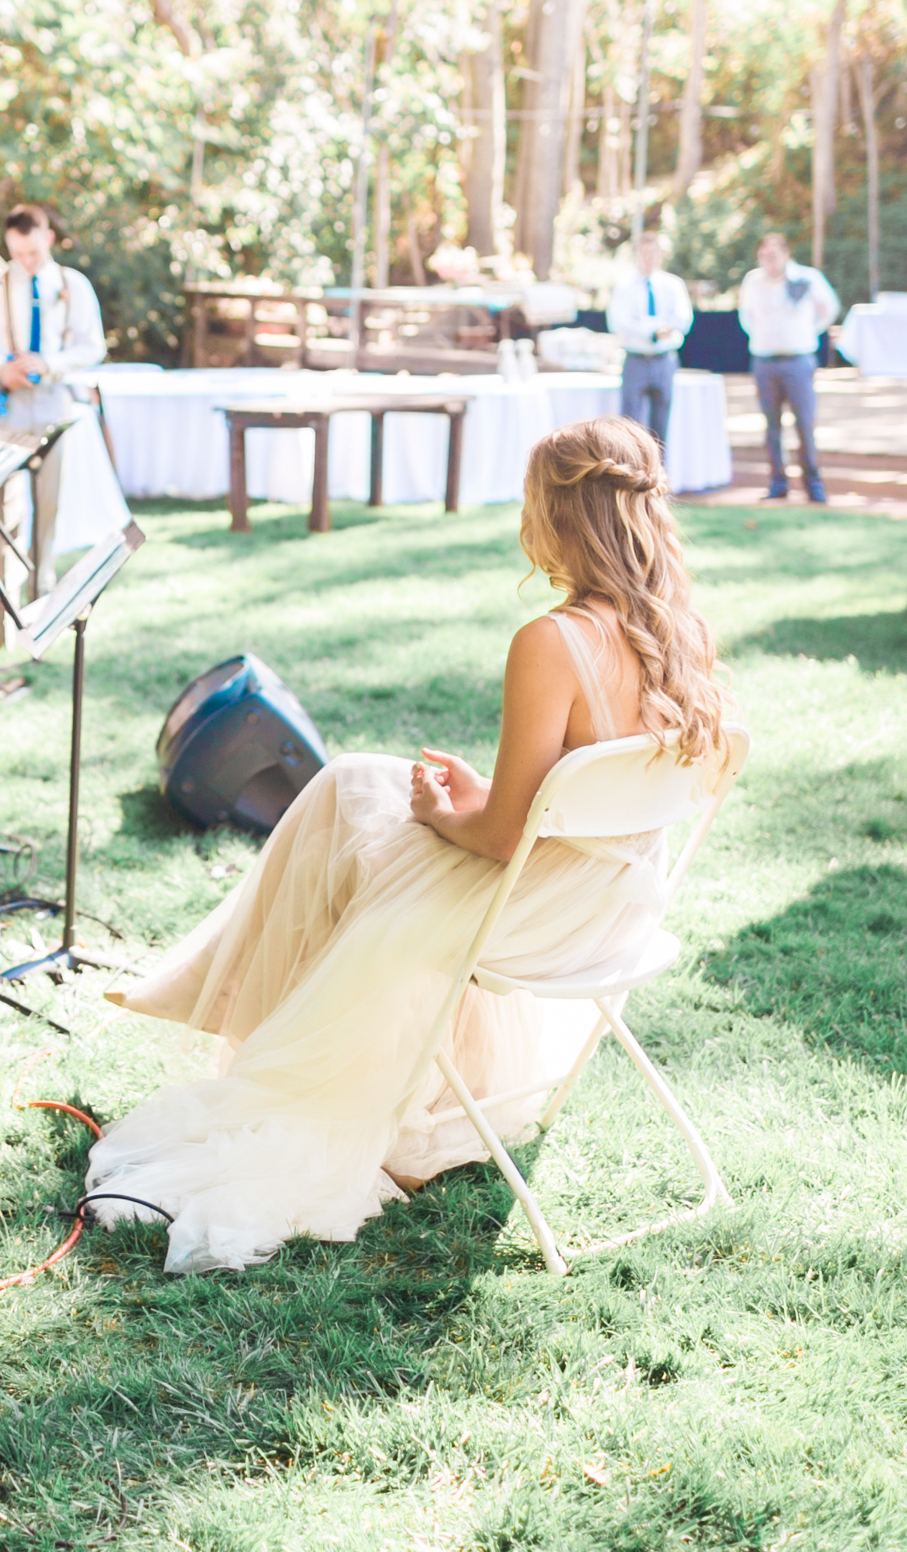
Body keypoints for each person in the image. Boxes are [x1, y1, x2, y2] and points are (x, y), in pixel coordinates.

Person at [85, 417, 731, 1275]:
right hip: (609, 903)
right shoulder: (680, 632)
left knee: (354, 812)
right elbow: (556, 796)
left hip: (533, 911)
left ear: (561, 516)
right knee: (353, 781)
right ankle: (244, 1002)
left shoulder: (553, 640)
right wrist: (475, 796)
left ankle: (234, 1007)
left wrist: (440, 815)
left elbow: (501, 839)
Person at [0, 204, 109, 594]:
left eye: (32, 253)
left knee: (48, 505)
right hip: (6, 405)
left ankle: (42, 585)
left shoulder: (72, 284)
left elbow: (92, 346)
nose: (24, 261)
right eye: (17, 253)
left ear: (49, 239)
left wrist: (51, 363)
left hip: (52, 405)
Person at [737, 231, 839, 504]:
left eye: (774, 255)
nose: (769, 261)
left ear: (785, 254)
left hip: (798, 359)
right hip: (765, 360)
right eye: (764, 255)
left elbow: (829, 309)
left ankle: (813, 483)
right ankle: (777, 481)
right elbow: (746, 316)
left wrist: (807, 332)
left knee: (804, 423)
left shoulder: (806, 278)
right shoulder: (753, 281)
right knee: (772, 426)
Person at [607, 232, 693, 453]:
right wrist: (654, 331)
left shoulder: (673, 284)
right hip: (635, 359)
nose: (649, 258)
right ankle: (629, 477)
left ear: (661, 255)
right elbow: (620, 323)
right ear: (637, 254)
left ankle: (658, 480)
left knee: (661, 427)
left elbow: (682, 319)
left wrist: (655, 329)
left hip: (664, 360)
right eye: (644, 253)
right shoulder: (624, 286)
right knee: (628, 426)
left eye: (653, 253)